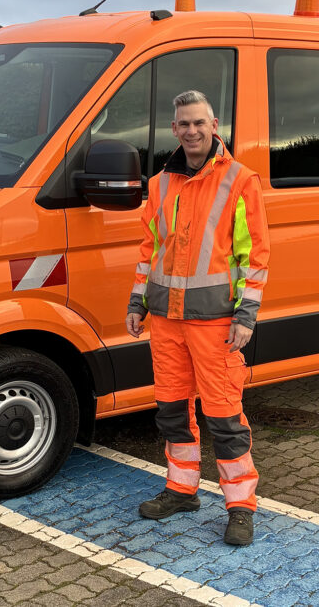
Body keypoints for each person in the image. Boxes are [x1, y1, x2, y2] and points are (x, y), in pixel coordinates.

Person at [125, 89, 269, 546]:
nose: (191, 131)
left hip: (216, 322)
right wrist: (137, 302)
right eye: (184, 123)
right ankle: (182, 490)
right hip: (166, 320)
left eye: (199, 123)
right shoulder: (160, 184)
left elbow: (255, 255)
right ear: (174, 129)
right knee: (172, 411)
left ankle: (241, 506)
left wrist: (246, 314)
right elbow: (149, 250)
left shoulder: (240, 180)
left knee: (224, 417)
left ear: (214, 126)